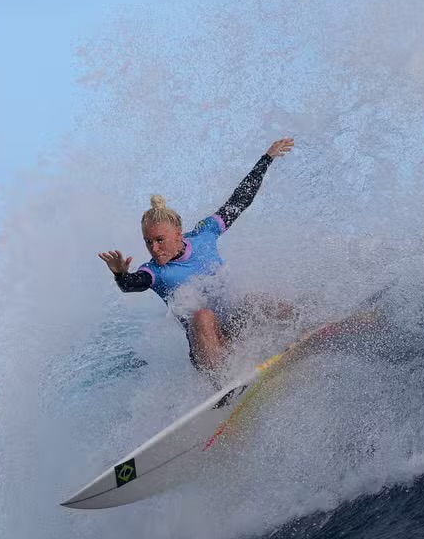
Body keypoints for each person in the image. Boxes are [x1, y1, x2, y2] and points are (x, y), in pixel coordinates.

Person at [98, 138, 294, 373]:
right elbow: (131, 284)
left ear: (178, 234)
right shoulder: (153, 272)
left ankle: (313, 329)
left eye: (160, 240)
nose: (154, 248)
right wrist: (120, 274)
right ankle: (222, 384)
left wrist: (267, 159)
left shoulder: (205, 234)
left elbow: (240, 200)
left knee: (256, 302)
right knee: (202, 316)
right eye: (148, 242)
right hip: (206, 354)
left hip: (235, 332)